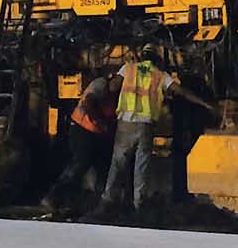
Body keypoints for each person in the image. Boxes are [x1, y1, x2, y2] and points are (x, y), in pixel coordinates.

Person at [93, 50, 215, 218]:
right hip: (146, 125)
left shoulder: (128, 68)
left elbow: (113, 87)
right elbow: (182, 92)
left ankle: (106, 202)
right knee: (141, 166)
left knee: (118, 163)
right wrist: (206, 104)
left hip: (125, 124)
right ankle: (139, 205)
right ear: (157, 60)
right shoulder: (159, 75)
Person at [50, 69, 119, 210]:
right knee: (81, 163)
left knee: (102, 166)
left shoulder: (117, 94)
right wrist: (101, 122)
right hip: (82, 129)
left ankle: (98, 203)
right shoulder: (101, 85)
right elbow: (89, 103)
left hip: (97, 133)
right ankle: (55, 196)